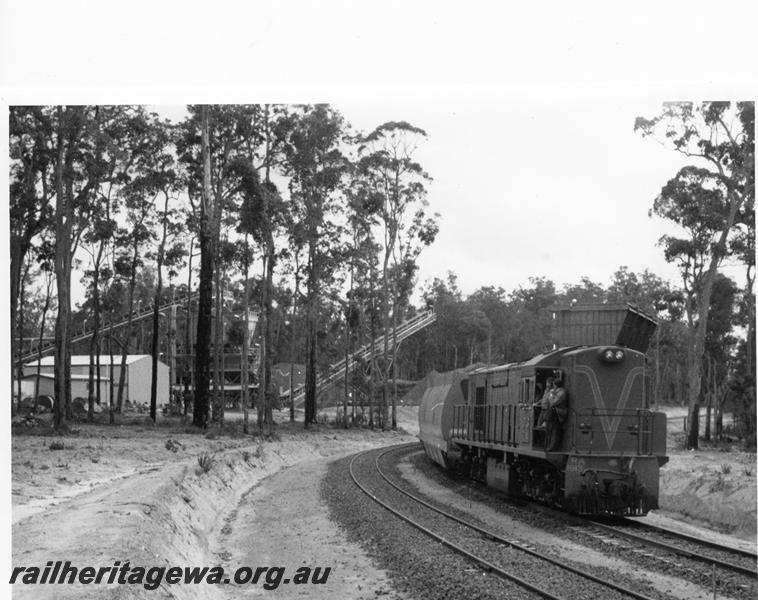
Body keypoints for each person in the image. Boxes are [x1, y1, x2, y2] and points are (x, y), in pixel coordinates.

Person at [546, 378, 569, 451]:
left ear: (555, 385)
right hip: (554, 412)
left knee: (555, 430)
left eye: (553, 385)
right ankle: (549, 445)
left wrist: (551, 395)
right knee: (551, 429)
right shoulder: (557, 392)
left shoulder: (562, 393)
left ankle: (553, 447)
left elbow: (553, 402)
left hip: (558, 413)